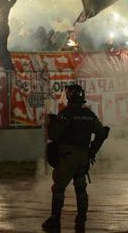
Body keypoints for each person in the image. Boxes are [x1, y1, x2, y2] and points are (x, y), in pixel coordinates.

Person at [43, 84, 109, 233]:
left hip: (68, 156)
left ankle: (55, 219)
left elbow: (54, 135)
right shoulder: (89, 115)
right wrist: (92, 151)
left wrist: (51, 123)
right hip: (83, 156)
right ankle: (81, 218)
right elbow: (102, 134)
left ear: (69, 97)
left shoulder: (66, 114)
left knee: (59, 188)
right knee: (81, 189)